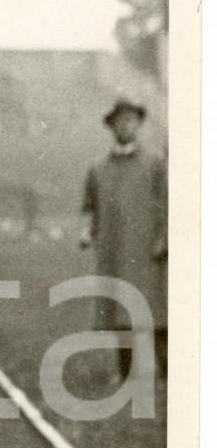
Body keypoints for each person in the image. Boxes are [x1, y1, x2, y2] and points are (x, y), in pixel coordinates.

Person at [80, 98, 167, 381]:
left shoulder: (155, 164)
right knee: (120, 308)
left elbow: (169, 203)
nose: (125, 125)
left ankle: (167, 369)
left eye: (130, 120)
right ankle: (125, 370)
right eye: (119, 121)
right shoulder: (98, 168)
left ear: (138, 124)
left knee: (156, 308)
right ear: (112, 126)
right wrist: (87, 231)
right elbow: (89, 206)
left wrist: (164, 239)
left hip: (148, 249)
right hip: (114, 250)